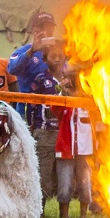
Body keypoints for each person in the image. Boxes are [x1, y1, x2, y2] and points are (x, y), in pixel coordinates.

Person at [9, 12, 64, 202]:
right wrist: (32, 50)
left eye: (50, 27)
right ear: (34, 29)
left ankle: (49, 200)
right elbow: (12, 69)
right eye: (41, 27)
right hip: (27, 114)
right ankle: (25, 201)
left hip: (55, 118)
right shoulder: (25, 51)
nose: (46, 30)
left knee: (51, 162)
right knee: (26, 158)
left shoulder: (58, 53)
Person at [52, 74, 95, 218]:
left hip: (85, 150)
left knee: (85, 183)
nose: (71, 82)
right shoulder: (63, 101)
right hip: (65, 149)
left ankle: (83, 216)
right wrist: (62, 91)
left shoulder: (90, 100)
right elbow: (54, 108)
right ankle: (64, 216)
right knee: (64, 184)